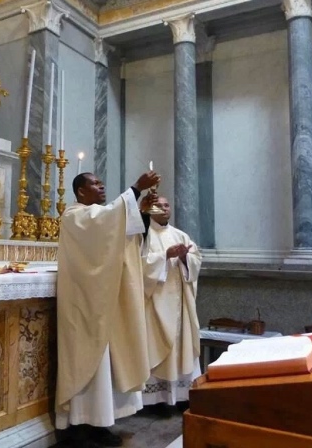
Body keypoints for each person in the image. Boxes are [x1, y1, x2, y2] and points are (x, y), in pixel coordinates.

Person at [56, 171, 160, 447]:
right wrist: (136, 188)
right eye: (95, 183)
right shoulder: (74, 215)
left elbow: (125, 238)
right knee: (88, 361)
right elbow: (106, 222)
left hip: (102, 303)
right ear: (80, 192)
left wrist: (143, 215)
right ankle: (81, 425)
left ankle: (101, 422)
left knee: (106, 366)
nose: (101, 186)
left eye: (103, 182)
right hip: (84, 306)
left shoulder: (102, 217)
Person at [139, 195, 202, 415]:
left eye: (167, 205)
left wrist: (186, 258)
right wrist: (164, 256)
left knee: (182, 348)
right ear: (150, 209)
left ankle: (183, 396)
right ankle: (157, 400)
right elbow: (139, 265)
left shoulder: (180, 235)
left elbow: (196, 261)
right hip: (155, 303)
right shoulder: (144, 235)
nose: (164, 209)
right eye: (159, 205)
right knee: (155, 346)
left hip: (181, 305)